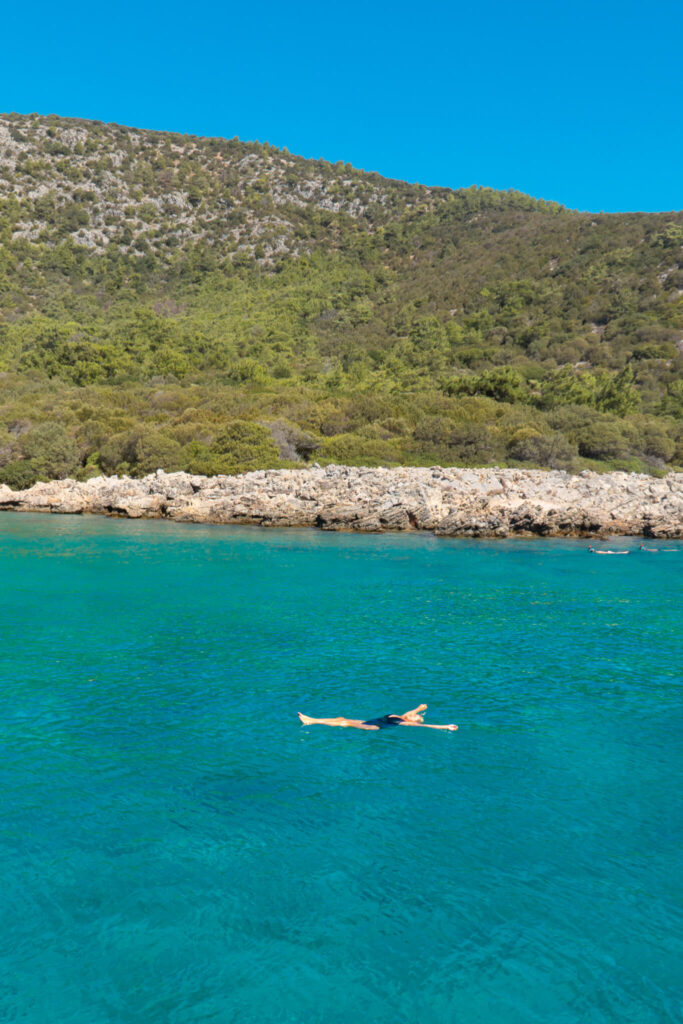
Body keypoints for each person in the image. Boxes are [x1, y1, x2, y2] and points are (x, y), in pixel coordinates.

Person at [297, 703, 458, 731]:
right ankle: (313, 719)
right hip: (374, 720)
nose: (412, 714)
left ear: (410, 721)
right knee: (341, 717)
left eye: (414, 715)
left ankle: (311, 721)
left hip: (372, 727)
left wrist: (445, 726)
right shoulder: (403, 715)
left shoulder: (403, 722)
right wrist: (420, 708)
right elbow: (411, 713)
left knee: (344, 723)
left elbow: (425, 726)